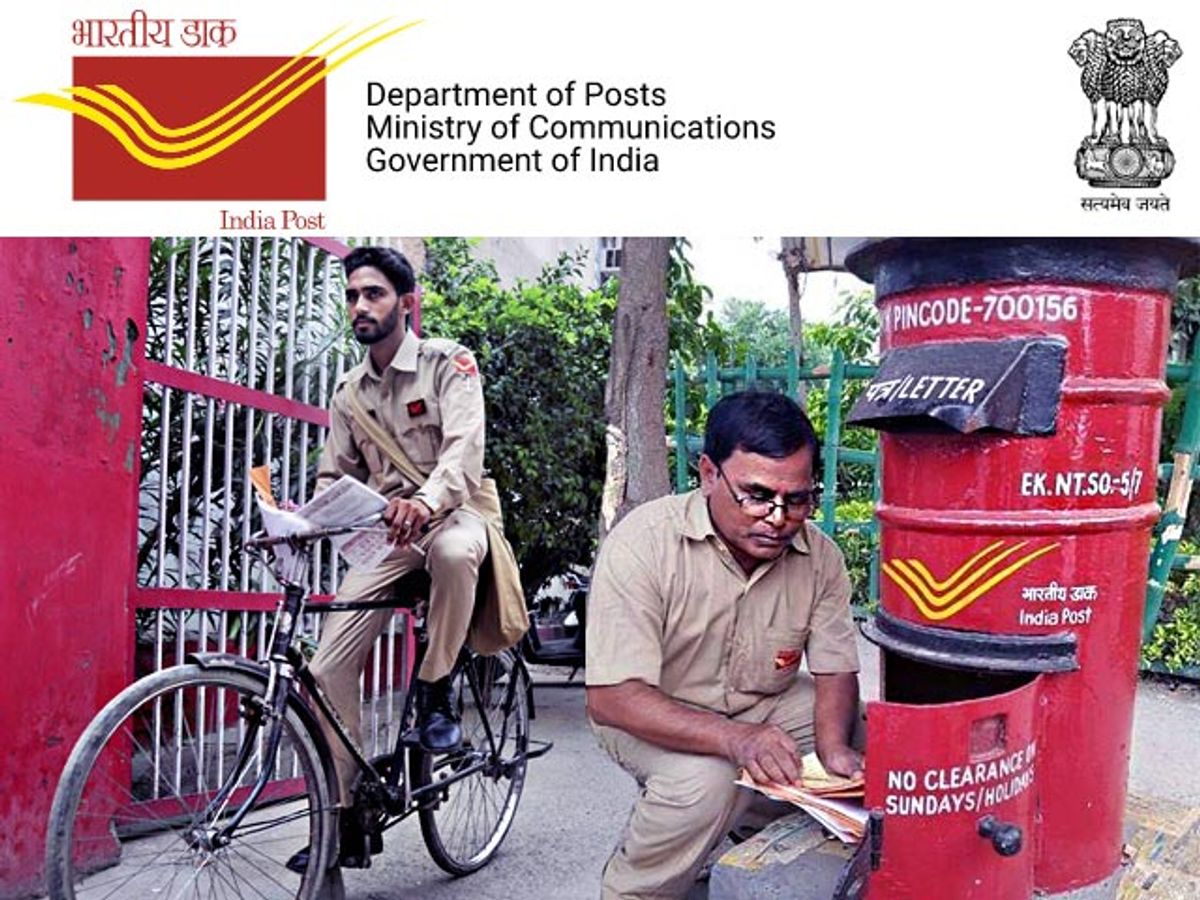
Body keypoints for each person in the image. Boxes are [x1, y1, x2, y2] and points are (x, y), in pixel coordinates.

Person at [586, 390, 864, 899]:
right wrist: (736, 739)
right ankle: (635, 889)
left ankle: (747, 837)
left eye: (797, 500)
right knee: (706, 781)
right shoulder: (643, 543)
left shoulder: (821, 557)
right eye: (757, 495)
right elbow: (613, 699)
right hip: (651, 712)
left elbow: (836, 669)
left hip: (762, 704)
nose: (777, 518)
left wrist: (834, 752)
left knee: (860, 735)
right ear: (709, 474)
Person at [289, 245, 493, 871]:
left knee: (455, 552)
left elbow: (464, 451)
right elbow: (336, 474)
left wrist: (426, 502)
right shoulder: (349, 393)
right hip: (391, 537)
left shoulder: (448, 363)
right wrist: (305, 516)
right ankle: (346, 817)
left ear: (406, 304)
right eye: (352, 295)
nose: (359, 305)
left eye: (373, 294)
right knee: (326, 667)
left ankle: (435, 689)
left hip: (454, 513)